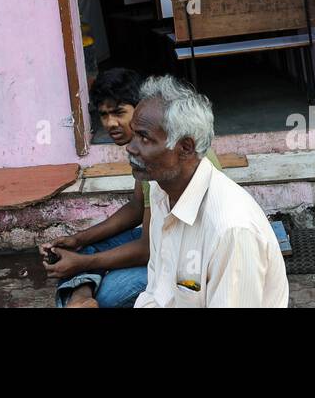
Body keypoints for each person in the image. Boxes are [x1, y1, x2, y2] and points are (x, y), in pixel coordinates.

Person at [40, 68, 224, 308]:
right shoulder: (143, 149)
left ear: (143, 110)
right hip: (165, 241)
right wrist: (77, 240)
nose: (110, 123)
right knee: (86, 248)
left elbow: (147, 249)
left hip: (189, 261)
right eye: (104, 115)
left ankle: (82, 293)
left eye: (118, 113)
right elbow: (137, 207)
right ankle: (81, 298)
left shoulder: (166, 153)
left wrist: (82, 263)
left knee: (105, 293)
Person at [128, 75, 288, 308]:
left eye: (144, 137)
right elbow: (157, 291)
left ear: (185, 148)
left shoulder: (231, 230)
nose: (131, 148)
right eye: (134, 134)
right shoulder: (160, 192)